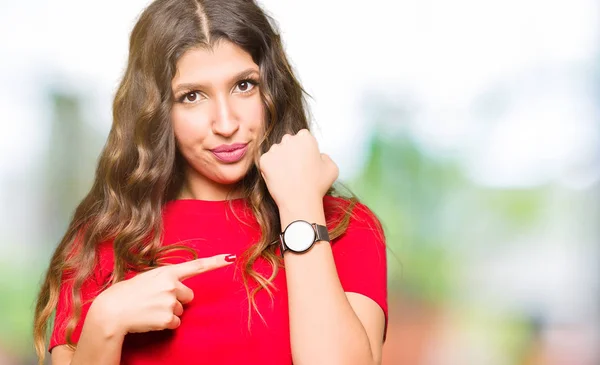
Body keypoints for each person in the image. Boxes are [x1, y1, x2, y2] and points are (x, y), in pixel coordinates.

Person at [33, 0, 388, 364]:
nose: (225, 123)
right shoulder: (103, 240)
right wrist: (105, 322)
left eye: (244, 86)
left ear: (272, 89)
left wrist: (300, 208)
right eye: (192, 96)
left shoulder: (345, 227)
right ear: (156, 111)